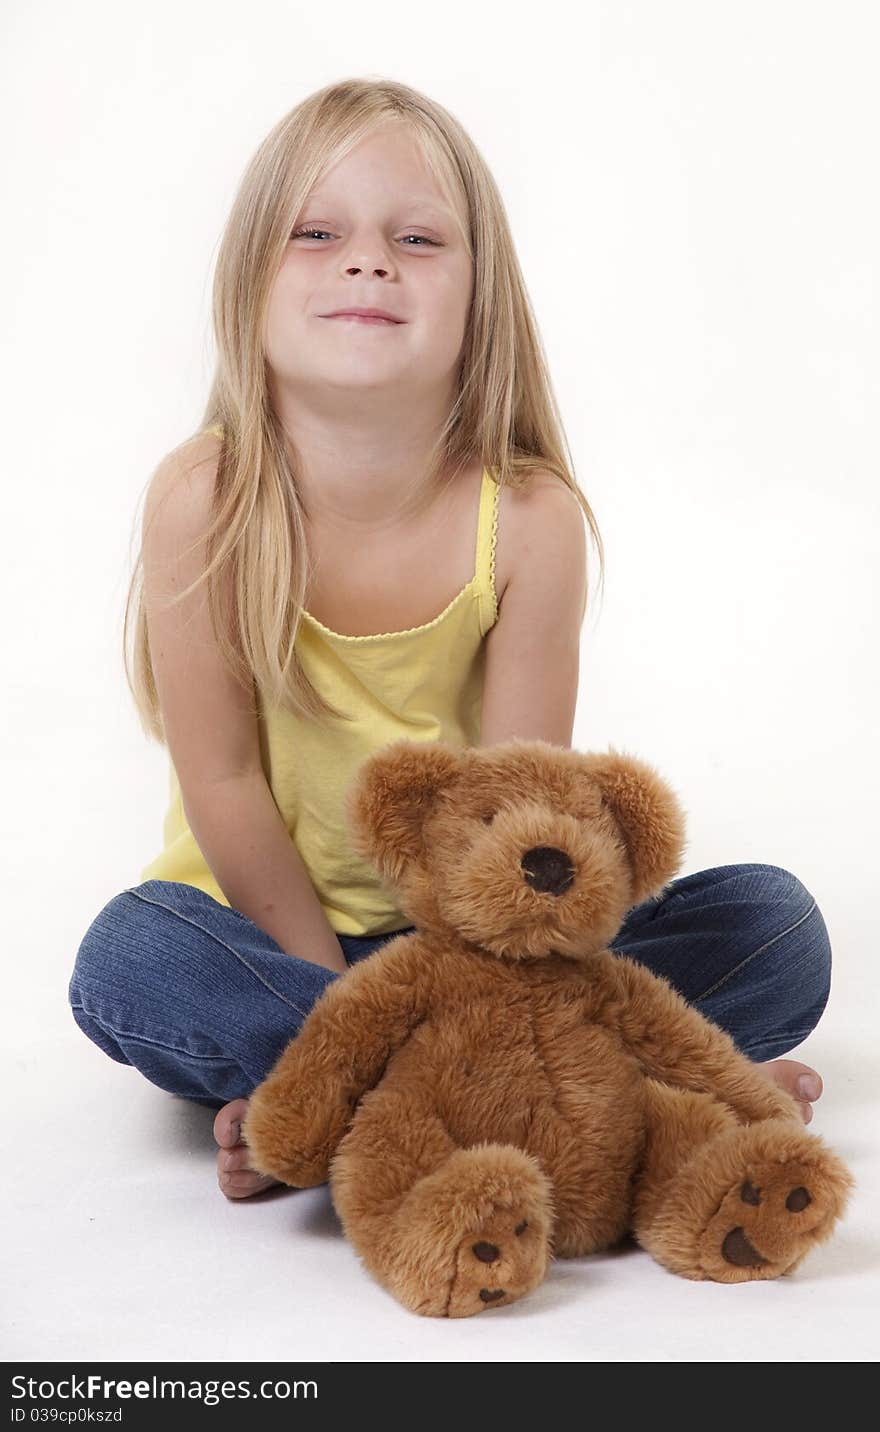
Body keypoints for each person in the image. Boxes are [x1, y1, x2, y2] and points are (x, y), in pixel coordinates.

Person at [68, 78, 829, 1202]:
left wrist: (460, 1011)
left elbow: (524, 832)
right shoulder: (204, 499)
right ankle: (562, 1101)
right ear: (248, 285)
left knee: (775, 928)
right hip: (264, 954)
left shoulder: (526, 520)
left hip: (485, 963)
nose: (367, 261)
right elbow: (223, 782)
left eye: (416, 238)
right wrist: (337, 1013)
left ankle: (336, 1111)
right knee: (130, 954)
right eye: (316, 233)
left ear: (481, 297)